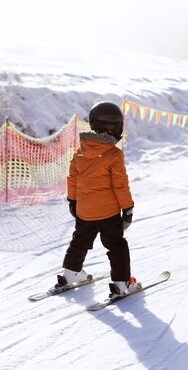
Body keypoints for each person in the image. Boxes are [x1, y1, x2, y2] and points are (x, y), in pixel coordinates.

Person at [57, 101, 139, 298]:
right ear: (114, 127)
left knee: (80, 241)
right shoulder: (114, 155)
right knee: (116, 246)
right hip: (108, 213)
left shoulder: (80, 151)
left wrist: (73, 201)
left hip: (84, 211)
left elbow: (72, 179)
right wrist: (127, 209)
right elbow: (120, 185)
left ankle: (70, 274)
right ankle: (121, 282)